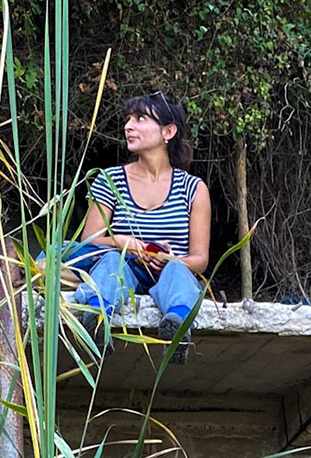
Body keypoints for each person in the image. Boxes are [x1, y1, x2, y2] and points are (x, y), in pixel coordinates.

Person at [62, 93, 212, 334]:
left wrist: (169, 260)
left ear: (168, 131)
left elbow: (199, 260)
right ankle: (98, 321)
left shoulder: (193, 188)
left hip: (171, 275)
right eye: (128, 119)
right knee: (112, 262)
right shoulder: (111, 180)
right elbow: (89, 241)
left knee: (179, 271)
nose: (128, 126)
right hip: (124, 268)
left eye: (140, 118)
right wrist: (125, 243)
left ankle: (178, 325)